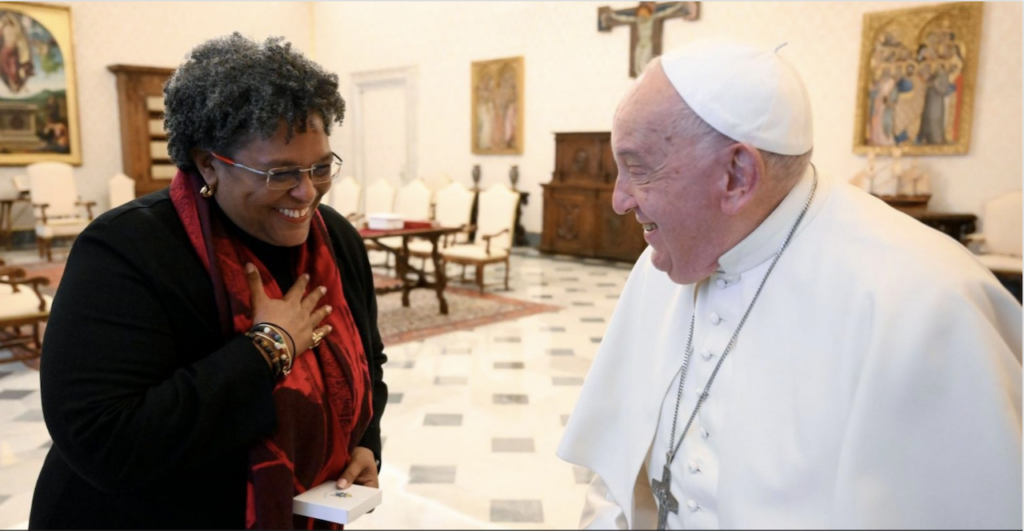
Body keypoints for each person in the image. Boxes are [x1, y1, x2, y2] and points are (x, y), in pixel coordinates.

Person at [557, 39, 1021, 529]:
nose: (618, 200)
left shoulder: (924, 303)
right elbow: (614, 477)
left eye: (638, 168)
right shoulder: (663, 262)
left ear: (737, 175)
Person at [30, 33, 388, 529]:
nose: (308, 191)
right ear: (208, 164)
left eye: (321, 166)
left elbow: (371, 361)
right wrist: (268, 348)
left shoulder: (336, 241)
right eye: (280, 173)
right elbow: (103, 439)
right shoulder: (126, 250)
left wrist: (366, 441)